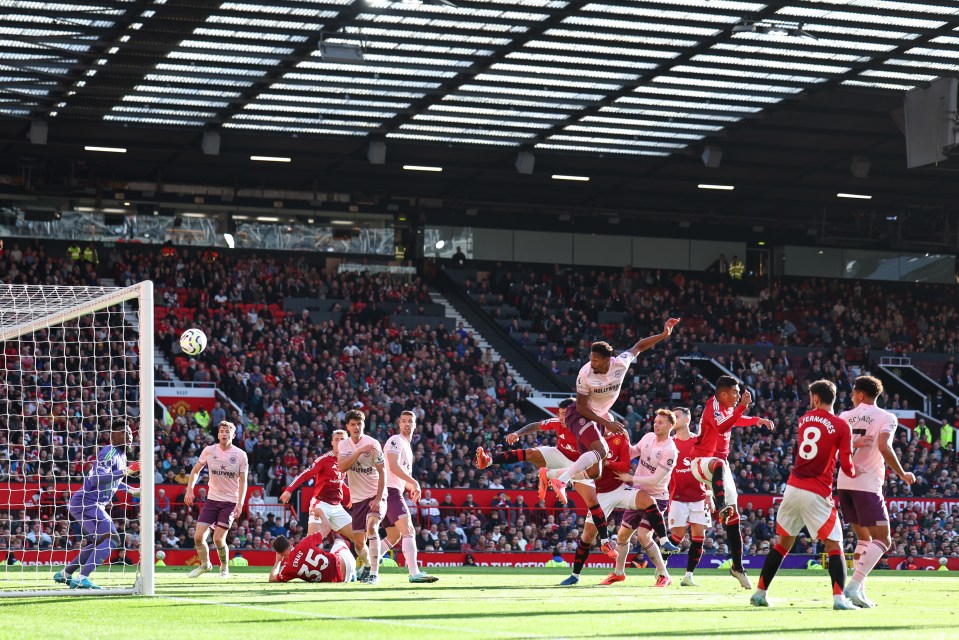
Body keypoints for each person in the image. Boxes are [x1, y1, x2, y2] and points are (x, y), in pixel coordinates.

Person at [550, 320, 680, 553]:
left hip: (597, 419)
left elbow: (638, 347)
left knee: (594, 471)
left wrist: (663, 333)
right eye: (591, 359)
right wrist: (606, 422)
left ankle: (552, 473)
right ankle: (561, 480)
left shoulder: (620, 363)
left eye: (596, 360)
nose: (592, 363)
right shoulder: (585, 374)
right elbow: (580, 407)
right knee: (600, 451)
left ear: (608, 360)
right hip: (579, 416)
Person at [750, 380, 860, 610]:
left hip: (791, 488)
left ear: (816, 399)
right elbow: (847, 465)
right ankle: (840, 599)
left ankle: (759, 593)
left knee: (782, 544)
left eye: (811, 397)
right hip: (817, 491)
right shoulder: (841, 425)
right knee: (835, 545)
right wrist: (857, 471)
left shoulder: (804, 419)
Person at [837, 375, 916, 608]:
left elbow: (835, 449)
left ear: (860, 394)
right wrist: (902, 474)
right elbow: (884, 446)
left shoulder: (844, 417)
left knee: (864, 539)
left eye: (853, 393)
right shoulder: (886, 417)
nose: (851, 397)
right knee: (883, 539)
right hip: (867, 485)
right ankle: (852, 586)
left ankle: (858, 592)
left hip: (844, 483)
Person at [689, 376, 775, 588]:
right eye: (735, 393)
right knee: (718, 463)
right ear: (724, 394)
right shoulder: (713, 405)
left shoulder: (726, 409)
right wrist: (743, 408)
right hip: (701, 462)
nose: (738, 396)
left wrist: (755, 419)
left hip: (720, 467)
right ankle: (720, 508)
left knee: (734, 517)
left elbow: (733, 421)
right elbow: (720, 428)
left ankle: (737, 566)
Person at [475, 399, 603, 527]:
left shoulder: (586, 428)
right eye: (560, 413)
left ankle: (604, 541)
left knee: (592, 500)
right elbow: (536, 425)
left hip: (578, 464)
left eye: (564, 414)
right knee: (530, 453)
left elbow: (598, 453)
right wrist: (517, 433)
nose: (561, 417)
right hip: (559, 454)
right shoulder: (557, 422)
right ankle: (488, 461)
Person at [54, 420, 140, 589]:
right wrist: (127, 471)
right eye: (124, 432)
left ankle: (65, 574)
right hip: (88, 502)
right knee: (112, 538)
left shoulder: (121, 456)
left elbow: (112, 482)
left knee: (98, 541)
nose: (129, 435)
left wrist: (131, 490)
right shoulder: (109, 452)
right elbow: (97, 479)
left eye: (130, 432)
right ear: (113, 436)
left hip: (90, 504)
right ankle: (82, 578)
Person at [600, 409, 679, 587]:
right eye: (656, 421)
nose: (656, 424)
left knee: (644, 536)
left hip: (656, 497)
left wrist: (630, 478)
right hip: (637, 494)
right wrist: (618, 444)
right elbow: (633, 451)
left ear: (670, 426)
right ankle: (619, 573)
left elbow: (656, 479)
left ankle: (663, 575)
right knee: (622, 535)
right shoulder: (648, 437)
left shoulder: (670, 450)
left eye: (660, 422)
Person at [184, 421, 249, 579]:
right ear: (218, 434)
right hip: (212, 500)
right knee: (198, 537)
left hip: (230, 502)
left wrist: (240, 504)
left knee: (218, 539)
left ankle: (224, 568)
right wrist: (189, 490)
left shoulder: (240, 455)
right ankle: (205, 565)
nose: (224, 434)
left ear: (233, 435)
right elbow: (195, 471)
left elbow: (243, 481)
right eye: (221, 431)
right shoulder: (209, 450)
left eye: (227, 431)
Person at [381, 411, 439, 583]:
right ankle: (414, 573)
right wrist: (415, 482)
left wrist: (411, 486)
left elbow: (400, 475)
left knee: (393, 536)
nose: (407, 424)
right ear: (399, 424)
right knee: (409, 531)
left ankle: (365, 567)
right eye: (404, 421)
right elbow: (393, 466)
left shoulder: (407, 446)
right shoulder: (395, 440)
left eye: (410, 422)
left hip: (392, 491)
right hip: (390, 491)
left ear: (415, 425)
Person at [337, 409, 386, 584]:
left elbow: (383, 472)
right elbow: (342, 467)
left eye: (359, 424)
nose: (357, 427)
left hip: (375, 494)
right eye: (353, 424)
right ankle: (368, 563)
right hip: (357, 499)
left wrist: (379, 498)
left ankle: (374, 574)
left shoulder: (373, 444)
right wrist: (358, 452)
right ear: (347, 427)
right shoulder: (344, 445)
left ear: (364, 425)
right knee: (358, 543)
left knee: (372, 527)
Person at [665, 407, 711, 586]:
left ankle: (688, 576)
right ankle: (661, 568)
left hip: (699, 496)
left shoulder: (699, 441)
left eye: (676, 416)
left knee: (699, 536)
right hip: (677, 497)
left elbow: (707, 467)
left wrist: (709, 492)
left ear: (686, 420)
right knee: (677, 537)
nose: (673, 419)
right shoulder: (668, 443)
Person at [269, 534, 355, 584]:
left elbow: (271, 579)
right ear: (290, 542)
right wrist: (321, 514)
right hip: (348, 561)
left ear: (279, 553)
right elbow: (327, 526)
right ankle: (362, 567)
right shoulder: (304, 542)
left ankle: (353, 575)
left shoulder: (288, 568)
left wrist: (278, 561)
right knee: (338, 541)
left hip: (341, 580)